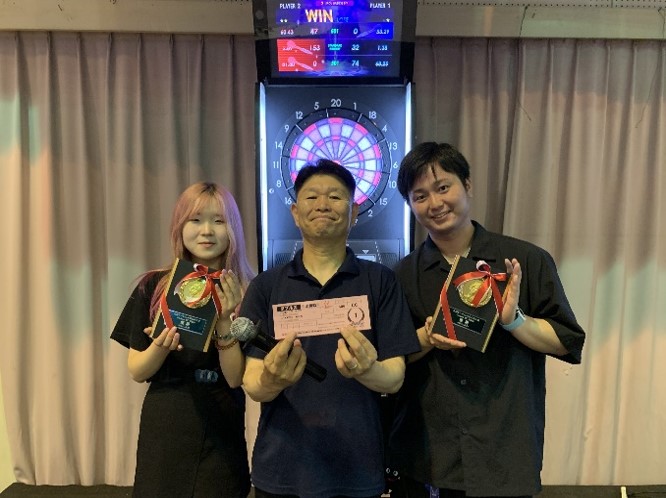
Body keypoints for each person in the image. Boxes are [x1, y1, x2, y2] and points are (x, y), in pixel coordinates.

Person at [389, 143, 586, 498]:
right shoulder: (402, 276)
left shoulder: (524, 260)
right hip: (429, 454)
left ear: (467, 185)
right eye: (420, 196)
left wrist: (515, 321)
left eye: (443, 187)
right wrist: (427, 338)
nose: (435, 203)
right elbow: (391, 359)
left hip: (504, 450)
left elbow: (566, 341)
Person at [239, 159, 421, 498]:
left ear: (354, 213)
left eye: (336, 197)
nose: (323, 204)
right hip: (281, 467)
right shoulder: (266, 286)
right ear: (295, 213)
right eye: (311, 197)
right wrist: (273, 378)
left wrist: (366, 369)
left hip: (358, 468)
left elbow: (395, 377)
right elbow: (252, 383)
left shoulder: (381, 281)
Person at [111, 182, 255, 497]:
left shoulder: (248, 290)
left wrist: (224, 320)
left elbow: (235, 378)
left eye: (219, 221)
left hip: (221, 420)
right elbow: (137, 370)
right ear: (179, 226)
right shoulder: (154, 286)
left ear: (233, 229)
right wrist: (160, 347)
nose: (207, 231)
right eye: (195, 220)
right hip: (167, 417)